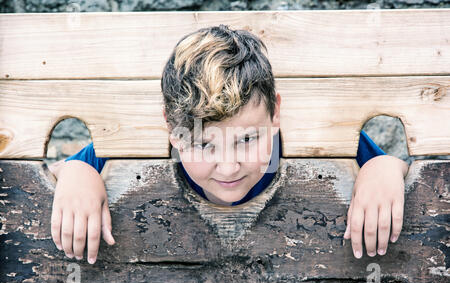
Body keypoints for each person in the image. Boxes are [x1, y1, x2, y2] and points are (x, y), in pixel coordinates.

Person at [49, 25, 409, 265]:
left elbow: (397, 171)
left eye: (248, 139)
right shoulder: (124, 146)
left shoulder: (326, 143)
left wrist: (383, 168)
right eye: (204, 144)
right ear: (170, 129)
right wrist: (78, 173)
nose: (228, 167)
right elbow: (59, 173)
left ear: (276, 112)